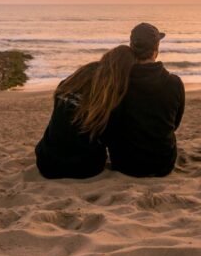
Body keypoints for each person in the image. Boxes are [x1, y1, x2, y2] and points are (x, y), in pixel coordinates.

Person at [35, 45, 135, 179]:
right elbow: (111, 137)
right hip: (84, 168)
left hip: (46, 162)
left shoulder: (74, 80)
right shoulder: (110, 94)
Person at [106, 23, 185, 177]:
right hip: (162, 163)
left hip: (123, 163)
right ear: (157, 48)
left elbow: (110, 125)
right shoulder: (174, 83)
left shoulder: (117, 83)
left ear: (131, 47)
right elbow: (174, 125)